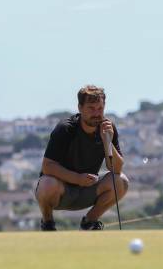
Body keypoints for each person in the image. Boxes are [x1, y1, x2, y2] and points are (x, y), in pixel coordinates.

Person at [34, 85, 128, 231]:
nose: (96, 113)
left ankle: (89, 222)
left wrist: (107, 141)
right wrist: (77, 178)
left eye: (100, 108)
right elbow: (47, 166)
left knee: (121, 181)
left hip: (88, 190)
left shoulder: (108, 128)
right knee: (46, 183)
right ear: (80, 108)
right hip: (61, 191)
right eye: (91, 108)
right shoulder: (66, 128)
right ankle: (48, 223)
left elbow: (115, 168)